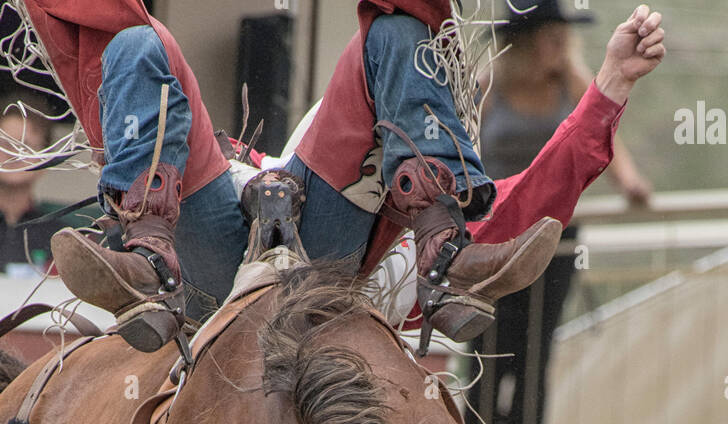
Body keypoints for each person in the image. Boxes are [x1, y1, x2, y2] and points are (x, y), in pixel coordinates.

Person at [16, 1, 665, 353]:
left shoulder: (401, 159)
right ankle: (146, 256)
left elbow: (531, 200)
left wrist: (609, 85)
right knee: (135, 44)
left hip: (337, 268)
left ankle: (446, 252)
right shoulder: (330, 139)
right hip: (218, 254)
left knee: (399, 30)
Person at [467, 0, 654, 424]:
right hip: (493, 239)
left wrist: (629, 182)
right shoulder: (490, 85)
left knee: (536, 347)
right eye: (552, 36)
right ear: (527, 42)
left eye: (563, 37)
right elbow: (461, 145)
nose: (561, 45)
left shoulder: (571, 80)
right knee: (487, 343)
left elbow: (599, 132)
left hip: (554, 239)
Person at [0, 101, 81, 270]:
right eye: (6, 144)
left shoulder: (62, 237)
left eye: (25, 146)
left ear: (45, 160)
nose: (14, 155)